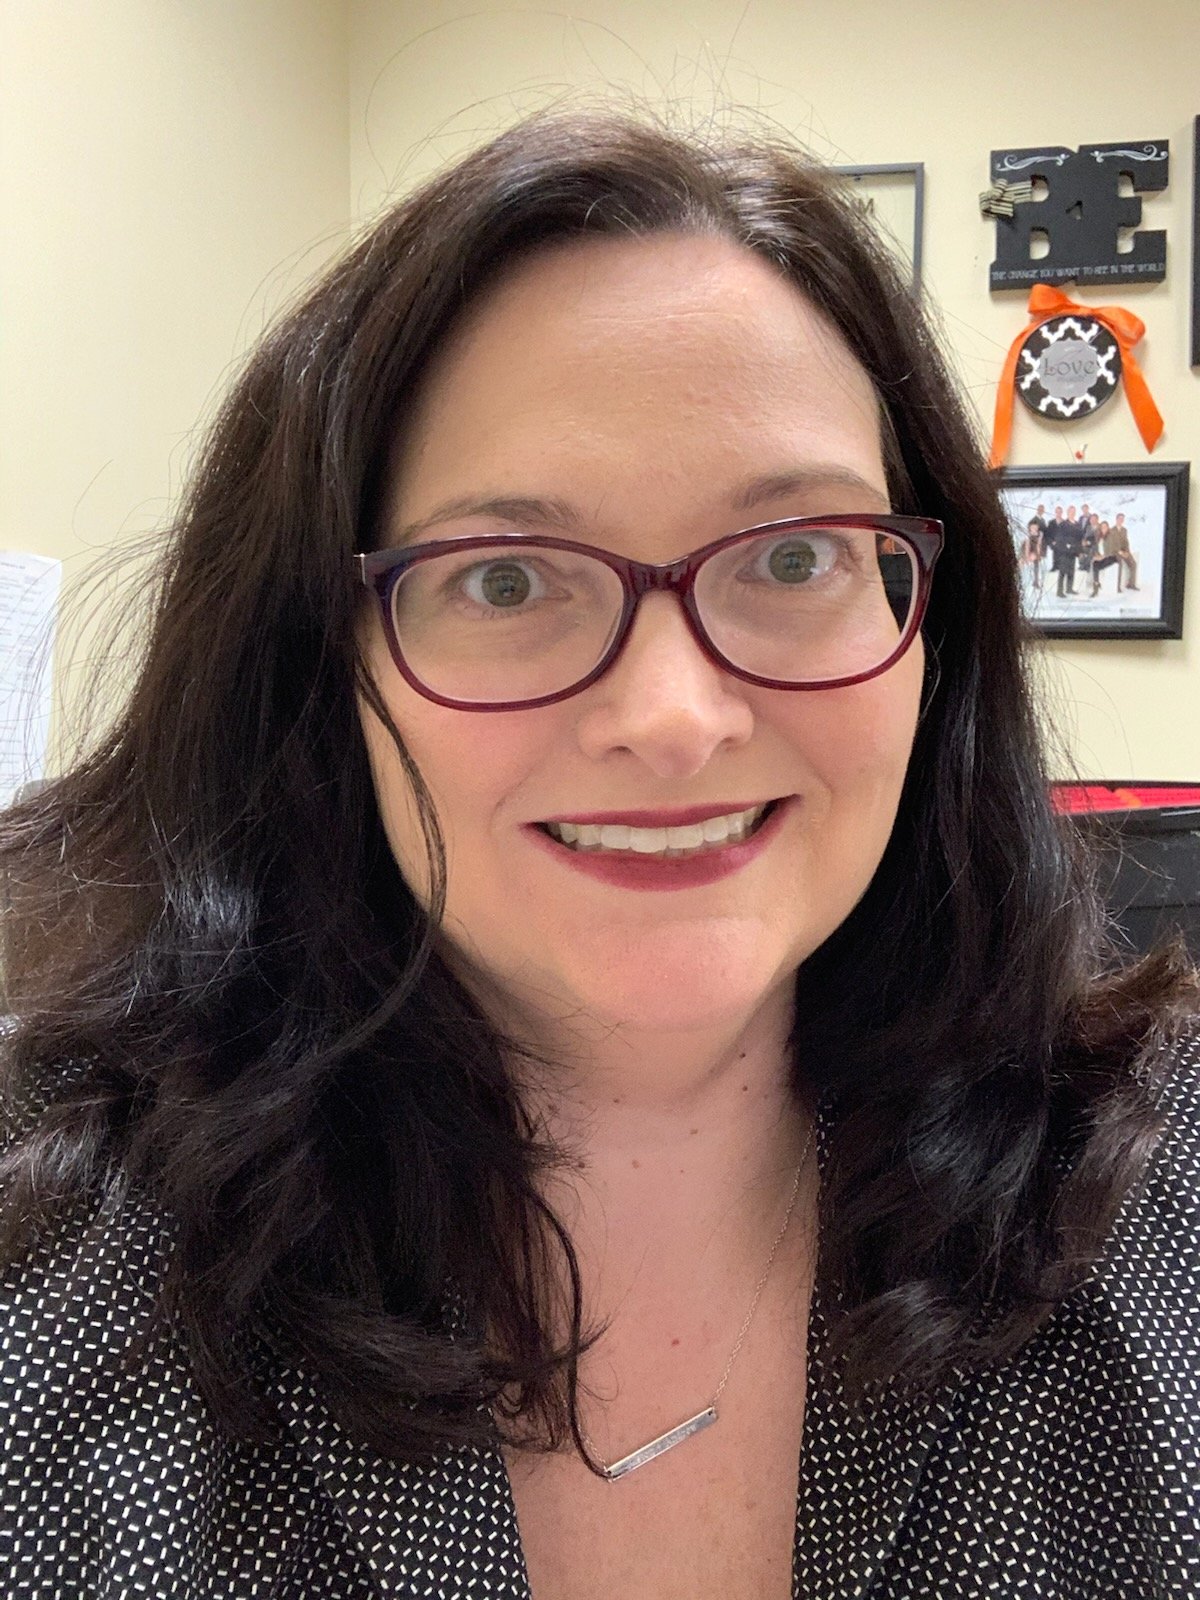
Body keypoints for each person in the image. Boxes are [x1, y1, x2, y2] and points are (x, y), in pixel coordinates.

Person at [1, 108, 1197, 1599]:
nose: (673, 718)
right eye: (505, 579)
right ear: (325, 671)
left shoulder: (1166, 1210)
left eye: (795, 557)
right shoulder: (51, 1277)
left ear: (930, 641)